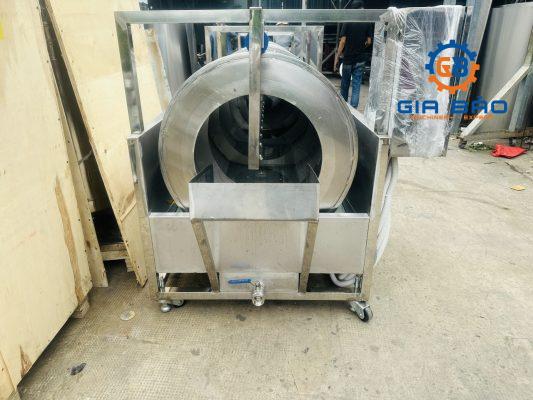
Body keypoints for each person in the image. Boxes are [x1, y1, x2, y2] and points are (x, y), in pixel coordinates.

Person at [334, 0, 373, 108]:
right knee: (356, 86)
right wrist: (362, 46)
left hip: (348, 59)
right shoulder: (367, 22)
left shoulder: (348, 21)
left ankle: (343, 108)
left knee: (345, 85)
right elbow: (369, 41)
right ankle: (353, 109)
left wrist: (337, 56)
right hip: (360, 59)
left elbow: (342, 41)